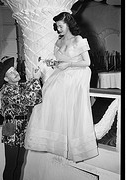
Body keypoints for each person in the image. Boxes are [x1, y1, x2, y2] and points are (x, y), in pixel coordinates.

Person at [25, 12, 98, 162]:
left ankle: (73, 144)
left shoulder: (79, 40)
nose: (58, 29)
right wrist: (54, 64)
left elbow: (87, 62)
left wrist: (69, 64)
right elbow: (59, 62)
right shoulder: (58, 43)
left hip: (76, 73)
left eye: (61, 25)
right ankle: (54, 138)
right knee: (47, 96)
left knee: (65, 101)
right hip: (61, 74)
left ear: (68, 24)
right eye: (57, 26)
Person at [0, 57, 42, 180]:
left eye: (14, 70)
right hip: (11, 126)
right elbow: (31, 99)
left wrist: (35, 77)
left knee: (20, 162)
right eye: (10, 72)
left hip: (22, 125)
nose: (15, 73)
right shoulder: (8, 89)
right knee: (10, 164)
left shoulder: (19, 85)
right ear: (5, 79)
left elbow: (28, 89)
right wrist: (35, 79)